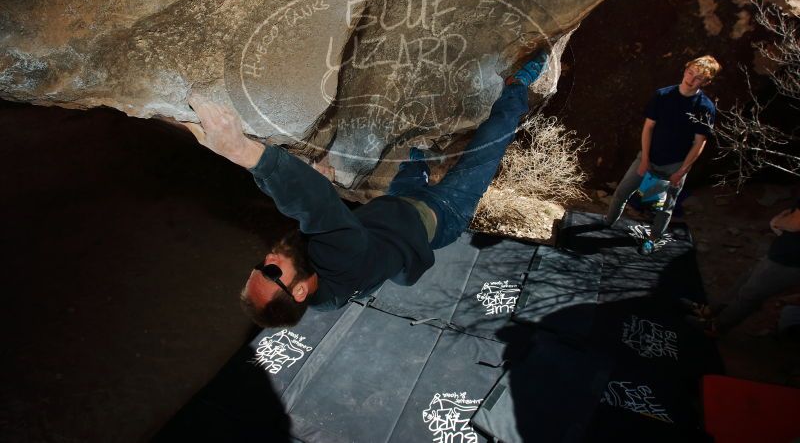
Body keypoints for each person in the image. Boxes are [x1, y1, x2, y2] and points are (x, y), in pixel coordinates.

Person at [184, 52, 548, 327]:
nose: (269, 260)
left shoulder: (323, 297)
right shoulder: (339, 262)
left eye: (259, 265)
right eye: (272, 273)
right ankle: (521, 85)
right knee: (487, 148)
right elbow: (316, 208)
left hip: (395, 209)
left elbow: (326, 219)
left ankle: (422, 154)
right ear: (298, 291)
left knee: (414, 153)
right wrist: (241, 150)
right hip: (443, 212)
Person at [604, 56, 720, 255]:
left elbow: (699, 142)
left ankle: (653, 238)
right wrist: (645, 159)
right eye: (690, 72)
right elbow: (648, 127)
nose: (691, 79)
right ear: (685, 70)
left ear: (706, 82)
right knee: (623, 191)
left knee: (665, 206)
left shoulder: (704, 107)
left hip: (675, 164)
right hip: (649, 155)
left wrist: (682, 170)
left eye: (699, 78)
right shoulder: (663, 95)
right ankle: (608, 222)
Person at [684, 197, 800, 336]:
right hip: (785, 252)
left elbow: (795, 223)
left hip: (790, 259)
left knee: (750, 293)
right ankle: (712, 311)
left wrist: (779, 222)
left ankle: (715, 327)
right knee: (745, 281)